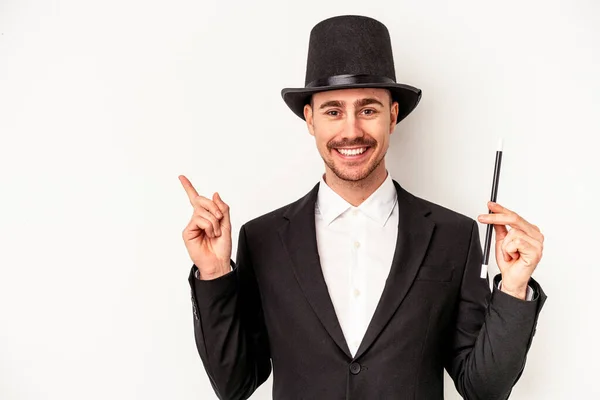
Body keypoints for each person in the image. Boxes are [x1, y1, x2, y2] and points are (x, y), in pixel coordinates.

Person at [179, 15, 547, 400]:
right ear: (310, 119)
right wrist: (215, 272)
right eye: (333, 111)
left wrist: (514, 287)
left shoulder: (454, 234)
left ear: (392, 116)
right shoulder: (262, 238)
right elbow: (235, 383)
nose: (351, 130)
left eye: (368, 110)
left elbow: (483, 389)